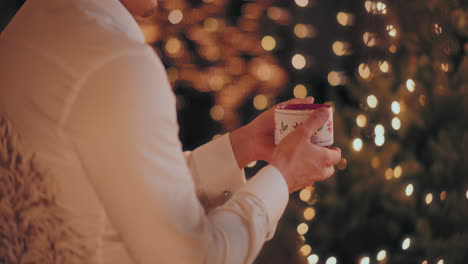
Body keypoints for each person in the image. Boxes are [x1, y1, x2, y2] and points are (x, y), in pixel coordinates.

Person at [0, 0, 341, 263]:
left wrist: (241, 146)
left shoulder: (24, 32)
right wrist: (282, 178)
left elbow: (115, 199)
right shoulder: (118, 65)